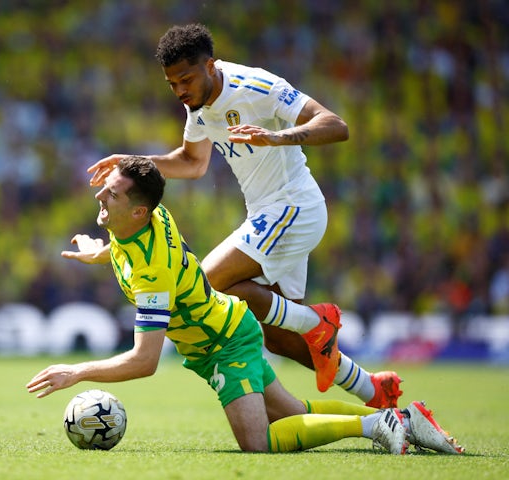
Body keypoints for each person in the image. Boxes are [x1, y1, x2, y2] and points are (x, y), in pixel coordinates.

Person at [26, 156, 463, 455]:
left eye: (112, 195)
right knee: (292, 414)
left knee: (258, 442)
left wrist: (76, 371)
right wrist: (98, 249)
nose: (101, 197)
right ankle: (399, 418)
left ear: (139, 212)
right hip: (226, 327)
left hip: (224, 342)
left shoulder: (151, 273)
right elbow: (126, 246)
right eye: (105, 190)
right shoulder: (149, 218)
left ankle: (374, 426)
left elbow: (145, 361)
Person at [88, 24, 401, 408]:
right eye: (172, 84)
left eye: (186, 79)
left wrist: (277, 137)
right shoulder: (198, 107)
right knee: (277, 335)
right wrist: (130, 162)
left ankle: (317, 322)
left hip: (292, 206)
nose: (180, 91)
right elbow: (191, 162)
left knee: (207, 283)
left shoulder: (257, 87)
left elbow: (336, 126)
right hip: (267, 214)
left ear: (211, 66)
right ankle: (374, 390)